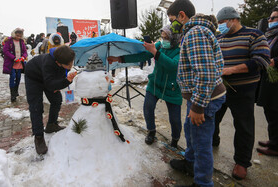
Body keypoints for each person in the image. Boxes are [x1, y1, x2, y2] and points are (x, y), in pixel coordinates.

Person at [167, 2, 226, 186]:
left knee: (201, 143)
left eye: (172, 20)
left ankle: (202, 182)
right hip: (197, 96)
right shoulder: (194, 32)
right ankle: (190, 163)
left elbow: (206, 72)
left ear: (182, 15)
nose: (171, 25)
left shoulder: (195, 33)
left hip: (204, 98)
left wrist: (198, 106)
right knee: (191, 131)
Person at [213, 7, 270, 180]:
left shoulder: (254, 35)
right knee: (212, 118)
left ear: (233, 19)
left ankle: (242, 162)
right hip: (220, 89)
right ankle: (212, 141)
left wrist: (230, 70)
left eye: (222, 22)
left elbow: (261, 60)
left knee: (244, 126)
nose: (221, 26)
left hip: (243, 90)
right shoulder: (219, 38)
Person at [108, 25, 183, 148]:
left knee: (175, 119)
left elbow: (172, 65)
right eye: (162, 37)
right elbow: (142, 56)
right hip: (155, 84)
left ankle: (175, 139)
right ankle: (151, 131)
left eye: (166, 38)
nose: (163, 40)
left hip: (173, 88)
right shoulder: (160, 45)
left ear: (174, 39)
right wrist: (119, 58)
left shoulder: (181, 50)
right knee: (148, 107)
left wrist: (155, 52)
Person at [25, 45, 77, 155]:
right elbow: (49, 83)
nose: (70, 66)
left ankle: (51, 125)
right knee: (36, 107)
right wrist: (66, 81)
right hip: (34, 77)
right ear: (58, 63)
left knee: (57, 99)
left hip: (47, 77)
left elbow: (59, 74)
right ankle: (38, 137)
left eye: (71, 62)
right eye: (68, 64)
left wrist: (59, 83)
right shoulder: (48, 63)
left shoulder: (63, 57)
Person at [256, 7, 278, 156]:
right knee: (269, 111)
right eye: (269, 18)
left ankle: (275, 147)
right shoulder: (270, 36)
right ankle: (273, 140)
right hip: (268, 80)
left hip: (276, 81)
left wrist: (275, 61)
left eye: (273, 18)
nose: (269, 21)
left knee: (275, 112)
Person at [3, 28, 28, 102]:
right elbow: (5, 51)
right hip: (12, 63)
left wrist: (23, 57)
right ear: (14, 34)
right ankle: (12, 95)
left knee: (18, 78)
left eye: (20, 36)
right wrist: (14, 58)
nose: (18, 37)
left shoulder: (22, 42)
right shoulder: (9, 41)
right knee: (12, 77)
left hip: (19, 63)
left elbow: (25, 51)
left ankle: (16, 91)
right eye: (17, 35)